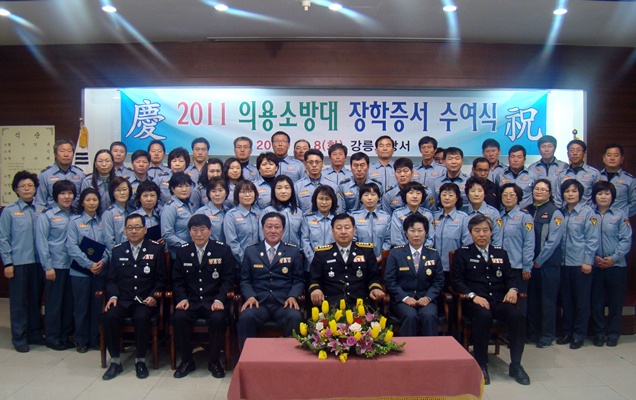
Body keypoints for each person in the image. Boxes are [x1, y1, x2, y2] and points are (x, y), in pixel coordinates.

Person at [451, 214, 530, 386]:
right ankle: (481, 364)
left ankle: (516, 365)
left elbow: (510, 277)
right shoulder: (462, 253)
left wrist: (513, 289)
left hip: (498, 301)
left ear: (491, 232)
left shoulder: (500, 252)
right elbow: (457, 282)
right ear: (470, 233)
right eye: (477, 231)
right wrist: (473, 296)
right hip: (474, 302)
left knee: (517, 317)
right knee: (483, 316)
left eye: (485, 230)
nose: (481, 234)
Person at [101, 214, 167, 380]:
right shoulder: (117, 250)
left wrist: (154, 296)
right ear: (124, 230)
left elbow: (161, 279)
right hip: (123, 299)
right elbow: (112, 280)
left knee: (142, 317)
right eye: (130, 228)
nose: (133, 231)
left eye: (137, 227)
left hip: (144, 300)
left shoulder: (156, 249)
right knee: (109, 316)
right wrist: (113, 296)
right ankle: (115, 361)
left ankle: (140, 360)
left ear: (145, 229)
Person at [171, 215, 235, 379]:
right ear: (189, 232)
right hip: (191, 302)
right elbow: (177, 280)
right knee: (179, 318)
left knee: (218, 319)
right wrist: (182, 299)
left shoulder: (222, 250)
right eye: (194, 230)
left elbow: (228, 279)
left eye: (202, 229)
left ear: (210, 230)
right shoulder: (183, 252)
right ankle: (187, 361)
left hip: (214, 301)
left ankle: (214, 361)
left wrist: (220, 299)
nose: (199, 234)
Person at [238, 212, 305, 349]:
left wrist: (292, 296)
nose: (273, 231)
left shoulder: (293, 251)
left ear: (283, 229)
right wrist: (250, 296)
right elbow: (245, 279)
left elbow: (299, 279)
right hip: (259, 302)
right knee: (246, 317)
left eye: (277, 227)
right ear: (262, 229)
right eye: (269, 227)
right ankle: (247, 358)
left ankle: (291, 358)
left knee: (295, 317)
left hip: (283, 302)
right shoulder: (251, 251)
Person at [0, 171, 43, 353]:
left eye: (30, 186)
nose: (27, 189)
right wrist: (7, 263)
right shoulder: (9, 211)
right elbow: (3, 239)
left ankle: (34, 333)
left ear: (35, 189)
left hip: (38, 263)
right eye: (22, 186)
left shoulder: (41, 210)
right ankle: (19, 337)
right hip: (18, 263)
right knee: (19, 302)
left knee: (35, 300)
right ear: (16, 190)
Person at [384, 213, 444, 336]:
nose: (416, 234)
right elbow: (390, 281)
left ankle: (431, 348)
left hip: (426, 298)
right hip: (402, 300)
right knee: (410, 316)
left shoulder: (433, 254)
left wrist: (428, 297)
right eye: (412, 231)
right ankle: (408, 349)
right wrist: (405, 298)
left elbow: (438, 281)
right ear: (406, 233)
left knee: (429, 315)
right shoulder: (396, 253)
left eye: (420, 230)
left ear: (426, 232)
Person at [556, 179, 599, 349]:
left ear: (580, 193)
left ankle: (579, 335)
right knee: (567, 301)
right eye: (567, 191)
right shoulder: (561, 212)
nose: (570, 194)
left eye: (574, 191)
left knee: (581, 301)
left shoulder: (588, 213)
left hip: (581, 264)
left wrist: (587, 261)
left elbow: (592, 239)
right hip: (563, 263)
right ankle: (567, 332)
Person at [308, 213, 385, 308]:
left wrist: (375, 288)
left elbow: (374, 276)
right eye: (339, 228)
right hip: (331, 305)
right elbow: (314, 278)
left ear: (354, 230)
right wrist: (316, 289)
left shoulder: (366, 251)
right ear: (332, 231)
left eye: (347, 227)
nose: (343, 232)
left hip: (361, 304)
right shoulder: (322, 253)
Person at [67, 187, 110, 353]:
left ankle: (94, 338)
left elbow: (108, 244)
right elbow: (72, 247)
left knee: (96, 306)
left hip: (99, 271)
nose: (92, 203)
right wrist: (88, 264)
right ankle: (81, 339)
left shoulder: (102, 221)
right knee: (81, 307)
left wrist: (102, 262)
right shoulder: (74, 222)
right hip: (80, 272)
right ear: (82, 203)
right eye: (88, 200)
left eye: (95, 200)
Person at [36, 179, 76, 351]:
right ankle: (52, 337)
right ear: (55, 196)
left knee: (68, 304)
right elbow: (41, 243)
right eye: (62, 193)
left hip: (73, 266)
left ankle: (65, 336)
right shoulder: (47, 216)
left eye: (70, 193)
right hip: (55, 266)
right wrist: (48, 266)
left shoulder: (76, 214)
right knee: (54, 303)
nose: (67, 197)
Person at [590, 180, 632, 347]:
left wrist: (613, 258)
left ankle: (613, 334)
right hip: (596, 265)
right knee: (596, 302)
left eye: (607, 194)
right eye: (600, 193)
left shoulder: (620, 215)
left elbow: (626, 240)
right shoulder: (589, 214)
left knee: (616, 302)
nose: (603, 197)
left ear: (612, 196)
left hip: (616, 266)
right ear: (594, 196)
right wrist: (593, 257)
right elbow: (585, 238)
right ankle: (599, 334)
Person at [525, 179, 564, 348]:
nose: (539, 192)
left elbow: (553, 241)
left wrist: (539, 260)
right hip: (530, 264)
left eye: (543, 189)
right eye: (537, 189)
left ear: (550, 193)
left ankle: (547, 335)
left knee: (547, 301)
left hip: (547, 264)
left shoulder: (555, 212)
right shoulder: (527, 210)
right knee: (532, 300)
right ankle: (533, 332)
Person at [499, 183, 535, 315]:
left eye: (511, 195)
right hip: (501, 266)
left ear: (518, 197)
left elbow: (529, 243)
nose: (508, 198)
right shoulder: (500, 217)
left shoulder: (525, 217)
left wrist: (527, 267)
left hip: (518, 267)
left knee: (519, 301)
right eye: (505, 195)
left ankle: (520, 327)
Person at [432, 182, 470, 288]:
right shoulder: (434, 216)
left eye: (451, 195)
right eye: (444, 194)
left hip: (454, 267)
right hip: (434, 266)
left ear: (457, 198)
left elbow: (467, 244)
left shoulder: (463, 218)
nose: (447, 198)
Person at [35, 139, 85, 210]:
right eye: (62, 151)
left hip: (75, 214)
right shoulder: (45, 175)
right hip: (52, 214)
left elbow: (84, 199)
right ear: (55, 154)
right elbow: (40, 202)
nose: (66, 154)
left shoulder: (80, 174)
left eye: (69, 151)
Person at [351, 183, 391, 263]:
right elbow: (352, 240)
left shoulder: (386, 217)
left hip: (381, 261)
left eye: (373, 195)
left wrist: (380, 257)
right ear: (360, 198)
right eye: (366, 195)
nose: (369, 198)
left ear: (379, 197)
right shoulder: (354, 217)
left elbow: (388, 240)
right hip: (359, 260)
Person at [223, 180, 261, 265]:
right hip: (239, 262)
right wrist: (245, 261)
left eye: (250, 191)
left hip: (259, 261)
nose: (247, 195)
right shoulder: (231, 215)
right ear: (237, 195)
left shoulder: (259, 213)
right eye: (243, 192)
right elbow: (232, 242)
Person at [161, 172, 197, 259]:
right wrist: (185, 246)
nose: (184, 189)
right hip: (177, 254)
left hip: (192, 252)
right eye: (180, 186)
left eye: (187, 186)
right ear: (172, 189)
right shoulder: (170, 207)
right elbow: (167, 234)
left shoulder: (190, 204)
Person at [554, 139, 600, 207]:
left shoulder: (594, 173)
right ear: (567, 154)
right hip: (566, 212)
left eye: (578, 150)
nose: (575, 153)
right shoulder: (562, 174)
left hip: (587, 211)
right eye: (571, 150)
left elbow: (598, 196)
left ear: (584, 153)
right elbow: (558, 199)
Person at [260, 175, 303, 247]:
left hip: (295, 251)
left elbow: (303, 236)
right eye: (279, 188)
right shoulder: (267, 211)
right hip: (274, 251)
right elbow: (262, 235)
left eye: (287, 188)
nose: (283, 191)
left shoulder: (298, 211)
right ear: (273, 190)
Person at [301, 185, 337, 268]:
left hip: (335, 264)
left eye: (327, 199)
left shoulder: (337, 219)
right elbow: (305, 241)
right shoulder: (307, 219)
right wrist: (313, 260)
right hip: (312, 264)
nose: (324, 202)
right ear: (315, 200)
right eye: (321, 199)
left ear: (333, 201)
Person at [390, 182, 435, 247]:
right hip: (402, 251)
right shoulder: (397, 214)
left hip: (424, 252)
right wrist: (409, 251)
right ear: (405, 195)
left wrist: (420, 251)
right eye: (411, 193)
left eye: (418, 193)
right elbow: (396, 239)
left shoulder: (428, 214)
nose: (415, 196)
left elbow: (430, 239)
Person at [295, 149, 338, 214]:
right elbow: (296, 210)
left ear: (323, 164)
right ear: (305, 164)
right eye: (310, 162)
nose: (314, 165)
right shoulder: (298, 186)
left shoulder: (332, 186)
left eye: (317, 162)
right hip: (305, 220)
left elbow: (337, 209)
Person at [599, 143, 636, 217]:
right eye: (609, 155)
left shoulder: (630, 180)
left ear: (621, 159)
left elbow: (634, 202)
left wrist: (621, 215)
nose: (612, 158)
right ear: (603, 158)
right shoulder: (596, 176)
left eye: (616, 155)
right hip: (598, 220)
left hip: (619, 221)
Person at [465, 177, 502, 246]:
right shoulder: (462, 211)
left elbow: (497, 239)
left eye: (480, 191)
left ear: (484, 194)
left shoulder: (493, 213)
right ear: (467, 194)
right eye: (473, 191)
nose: (476, 194)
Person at [496, 145, 536, 209]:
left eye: (519, 157)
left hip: (526, 213)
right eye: (513, 156)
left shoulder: (532, 176)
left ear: (524, 159)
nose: (515, 160)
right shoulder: (500, 176)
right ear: (508, 158)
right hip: (504, 213)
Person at [103, 176, 134, 252]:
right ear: (112, 192)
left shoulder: (133, 211)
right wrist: (117, 254)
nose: (122, 193)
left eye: (125, 189)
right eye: (118, 190)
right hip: (118, 254)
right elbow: (109, 240)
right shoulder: (109, 213)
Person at [194, 177, 230, 242]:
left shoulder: (229, 212)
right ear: (209, 194)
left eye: (220, 190)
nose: (217, 194)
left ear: (226, 193)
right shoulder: (201, 213)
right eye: (213, 191)